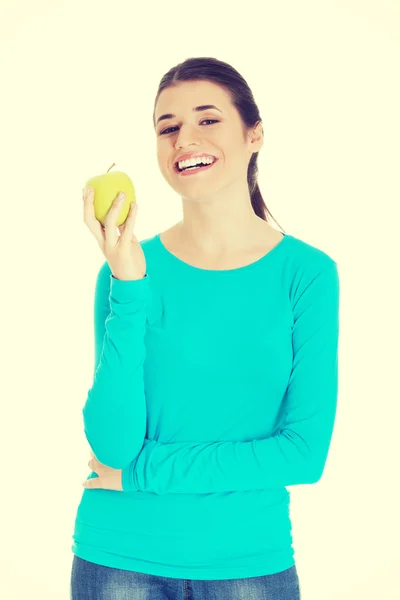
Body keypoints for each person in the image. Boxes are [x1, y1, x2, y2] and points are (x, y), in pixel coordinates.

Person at [71, 56, 340, 599]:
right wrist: (129, 288)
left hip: (249, 561)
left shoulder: (307, 274)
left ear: (254, 133)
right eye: (167, 128)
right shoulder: (126, 272)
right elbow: (112, 445)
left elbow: (302, 455)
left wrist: (141, 476)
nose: (183, 138)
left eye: (207, 119)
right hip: (117, 558)